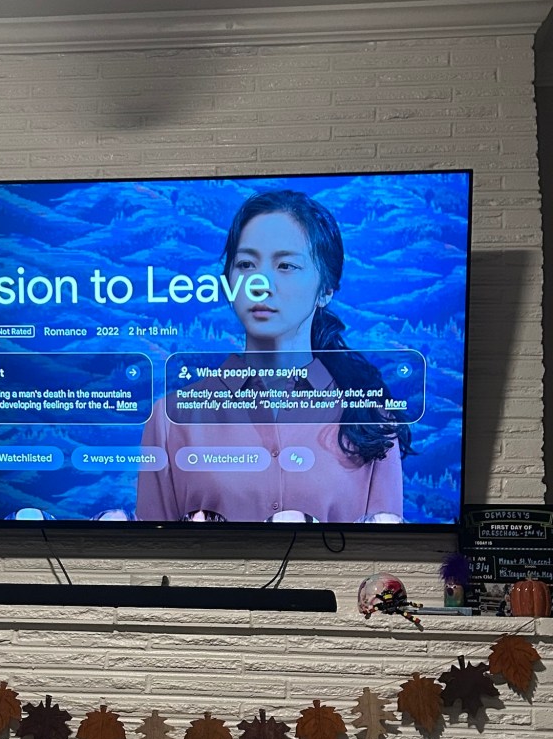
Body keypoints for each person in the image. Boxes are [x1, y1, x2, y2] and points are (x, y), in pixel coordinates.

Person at [136, 189, 411, 523]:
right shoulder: (170, 419)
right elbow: (152, 550)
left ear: (326, 289)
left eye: (286, 266)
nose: (259, 284)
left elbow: (383, 553)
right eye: (246, 265)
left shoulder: (372, 418)